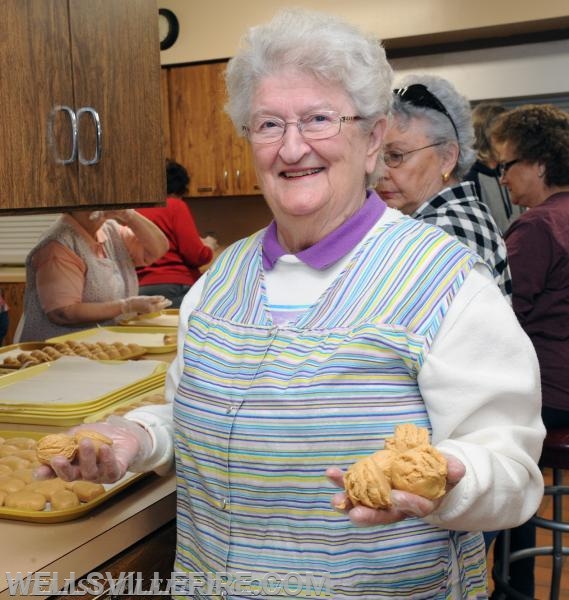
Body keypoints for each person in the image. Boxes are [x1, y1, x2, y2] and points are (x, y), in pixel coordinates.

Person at [38, 9, 545, 599]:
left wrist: (450, 479)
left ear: (373, 137)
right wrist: (138, 437)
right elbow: (198, 413)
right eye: (269, 123)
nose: (293, 146)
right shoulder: (219, 281)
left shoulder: (446, 281)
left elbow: (510, 470)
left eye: (319, 119)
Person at [488, 103, 569, 599]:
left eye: (506, 165)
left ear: (538, 164)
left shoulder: (537, 226)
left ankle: (503, 583)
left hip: (552, 389)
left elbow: (500, 315)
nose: (502, 179)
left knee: (491, 449)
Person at [376, 74, 512, 301]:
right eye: (377, 157)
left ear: (448, 157)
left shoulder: (440, 231)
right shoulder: (465, 215)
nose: (380, 172)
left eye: (395, 156)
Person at [19, 209, 170, 342]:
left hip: (103, 343)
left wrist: (128, 215)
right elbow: (63, 312)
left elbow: (157, 250)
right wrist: (126, 306)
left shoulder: (110, 229)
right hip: (58, 351)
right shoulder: (58, 243)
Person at [136, 160, 219, 308]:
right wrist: (208, 247)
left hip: (139, 289)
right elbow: (195, 255)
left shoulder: (131, 211)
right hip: (176, 287)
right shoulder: (174, 205)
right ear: (179, 188)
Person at [464, 102, 523, 233]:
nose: (512, 139)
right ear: (487, 136)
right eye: (505, 133)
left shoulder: (511, 171)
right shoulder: (469, 179)